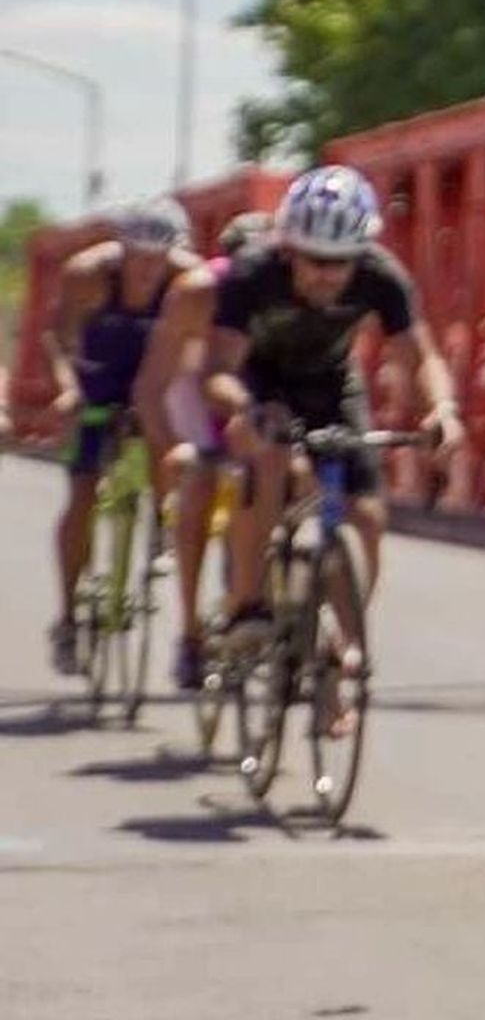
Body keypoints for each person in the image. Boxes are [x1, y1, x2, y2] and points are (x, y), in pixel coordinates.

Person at [204, 168, 464, 661]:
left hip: (331, 382)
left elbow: (420, 354)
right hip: (261, 382)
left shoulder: (381, 275)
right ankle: (249, 604)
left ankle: (342, 655)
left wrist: (442, 410)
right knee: (271, 459)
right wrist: (247, 409)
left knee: (365, 515)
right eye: (315, 260)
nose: (327, 273)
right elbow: (219, 370)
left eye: (339, 263)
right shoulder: (254, 273)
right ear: (288, 249)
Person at [44, 197, 198, 674]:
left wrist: (175, 393)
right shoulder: (85, 274)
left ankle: (163, 526)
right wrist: (69, 389)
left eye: (159, 258)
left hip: (154, 372)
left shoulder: (186, 279)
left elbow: (197, 344)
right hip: (98, 373)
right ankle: (69, 617)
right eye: (138, 256)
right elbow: (59, 337)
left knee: (162, 437)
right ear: (120, 249)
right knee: (83, 495)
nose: (148, 269)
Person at [131, 211, 274, 689]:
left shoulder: (290, 288)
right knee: (200, 489)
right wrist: (175, 448)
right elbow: (157, 384)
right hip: (198, 391)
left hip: (257, 390)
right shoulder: (199, 292)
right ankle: (191, 633)